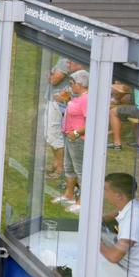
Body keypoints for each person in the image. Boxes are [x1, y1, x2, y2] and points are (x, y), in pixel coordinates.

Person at [100, 172, 139, 277]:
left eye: (106, 189)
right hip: (131, 268)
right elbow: (117, 213)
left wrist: (95, 242)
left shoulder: (134, 219)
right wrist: (100, 219)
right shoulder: (134, 206)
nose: (103, 192)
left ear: (119, 196)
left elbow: (114, 257)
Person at [53, 70, 88, 213]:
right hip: (70, 137)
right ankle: (69, 194)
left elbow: (90, 121)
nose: (70, 86)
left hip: (78, 139)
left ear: (81, 84)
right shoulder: (77, 96)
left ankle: (82, 202)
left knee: (80, 170)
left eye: (72, 83)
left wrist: (75, 133)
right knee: (69, 166)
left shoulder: (87, 99)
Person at [109, 86, 139, 150]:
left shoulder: (138, 77)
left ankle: (117, 144)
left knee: (113, 112)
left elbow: (123, 88)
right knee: (136, 114)